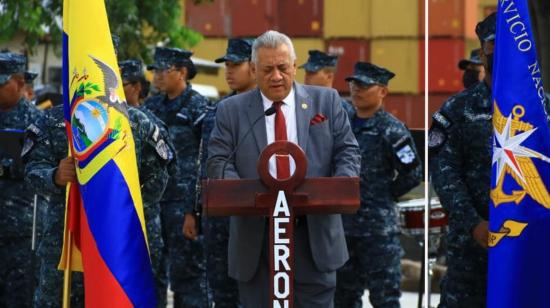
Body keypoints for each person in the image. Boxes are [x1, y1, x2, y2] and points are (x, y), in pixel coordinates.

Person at [206, 30, 360, 307]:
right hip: (257, 242)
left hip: (314, 239)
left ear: (295, 65)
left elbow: (347, 151)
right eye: (267, 69)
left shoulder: (326, 102)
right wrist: (243, 194)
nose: (276, 76)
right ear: (253, 69)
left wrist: (338, 186)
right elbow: (219, 161)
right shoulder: (231, 110)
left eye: (282, 68)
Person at [334, 62, 422, 308]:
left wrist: (384, 194)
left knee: (384, 297)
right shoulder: (343, 125)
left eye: (364, 85)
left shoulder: (392, 130)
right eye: (353, 84)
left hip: (378, 232)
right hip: (343, 228)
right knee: (343, 297)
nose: (356, 90)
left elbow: (413, 172)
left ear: (382, 91)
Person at [428, 13, 496, 308]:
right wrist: (474, 224)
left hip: (530, 250)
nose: (504, 52)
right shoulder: (458, 109)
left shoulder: (542, 109)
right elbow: (444, 172)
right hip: (471, 250)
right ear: (482, 52)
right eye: (495, 44)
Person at [144, 46, 210, 307]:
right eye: (155, 70)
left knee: (188, 276)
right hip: (153, 202)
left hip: (183, 205)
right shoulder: (151, 107)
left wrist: (192, 211)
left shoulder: (198, 107)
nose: (157, 75)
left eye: (164, 69)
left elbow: (203, 160)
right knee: (151, 271)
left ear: (182, 72)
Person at [196, 37, 256, 307]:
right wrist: (194, 210)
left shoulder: (272, 109)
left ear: (254, 66)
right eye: (227, 65)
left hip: (256, 212)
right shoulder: (217, 111)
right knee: (220, 288)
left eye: (236, 65)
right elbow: (203, 164)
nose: (229, 71)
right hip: (219, 216)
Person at [0, 51, 45, 307]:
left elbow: (40, 169)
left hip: (21, 230)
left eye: (1, 83)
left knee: (19, 298)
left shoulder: (35, 121)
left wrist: (6, 169)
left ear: (18, 83)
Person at [299, 49, 354, 115]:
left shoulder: (343, 109)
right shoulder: (299, 105)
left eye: (312, 72)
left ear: (329, 76)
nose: (306, 76)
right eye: (306, 72)